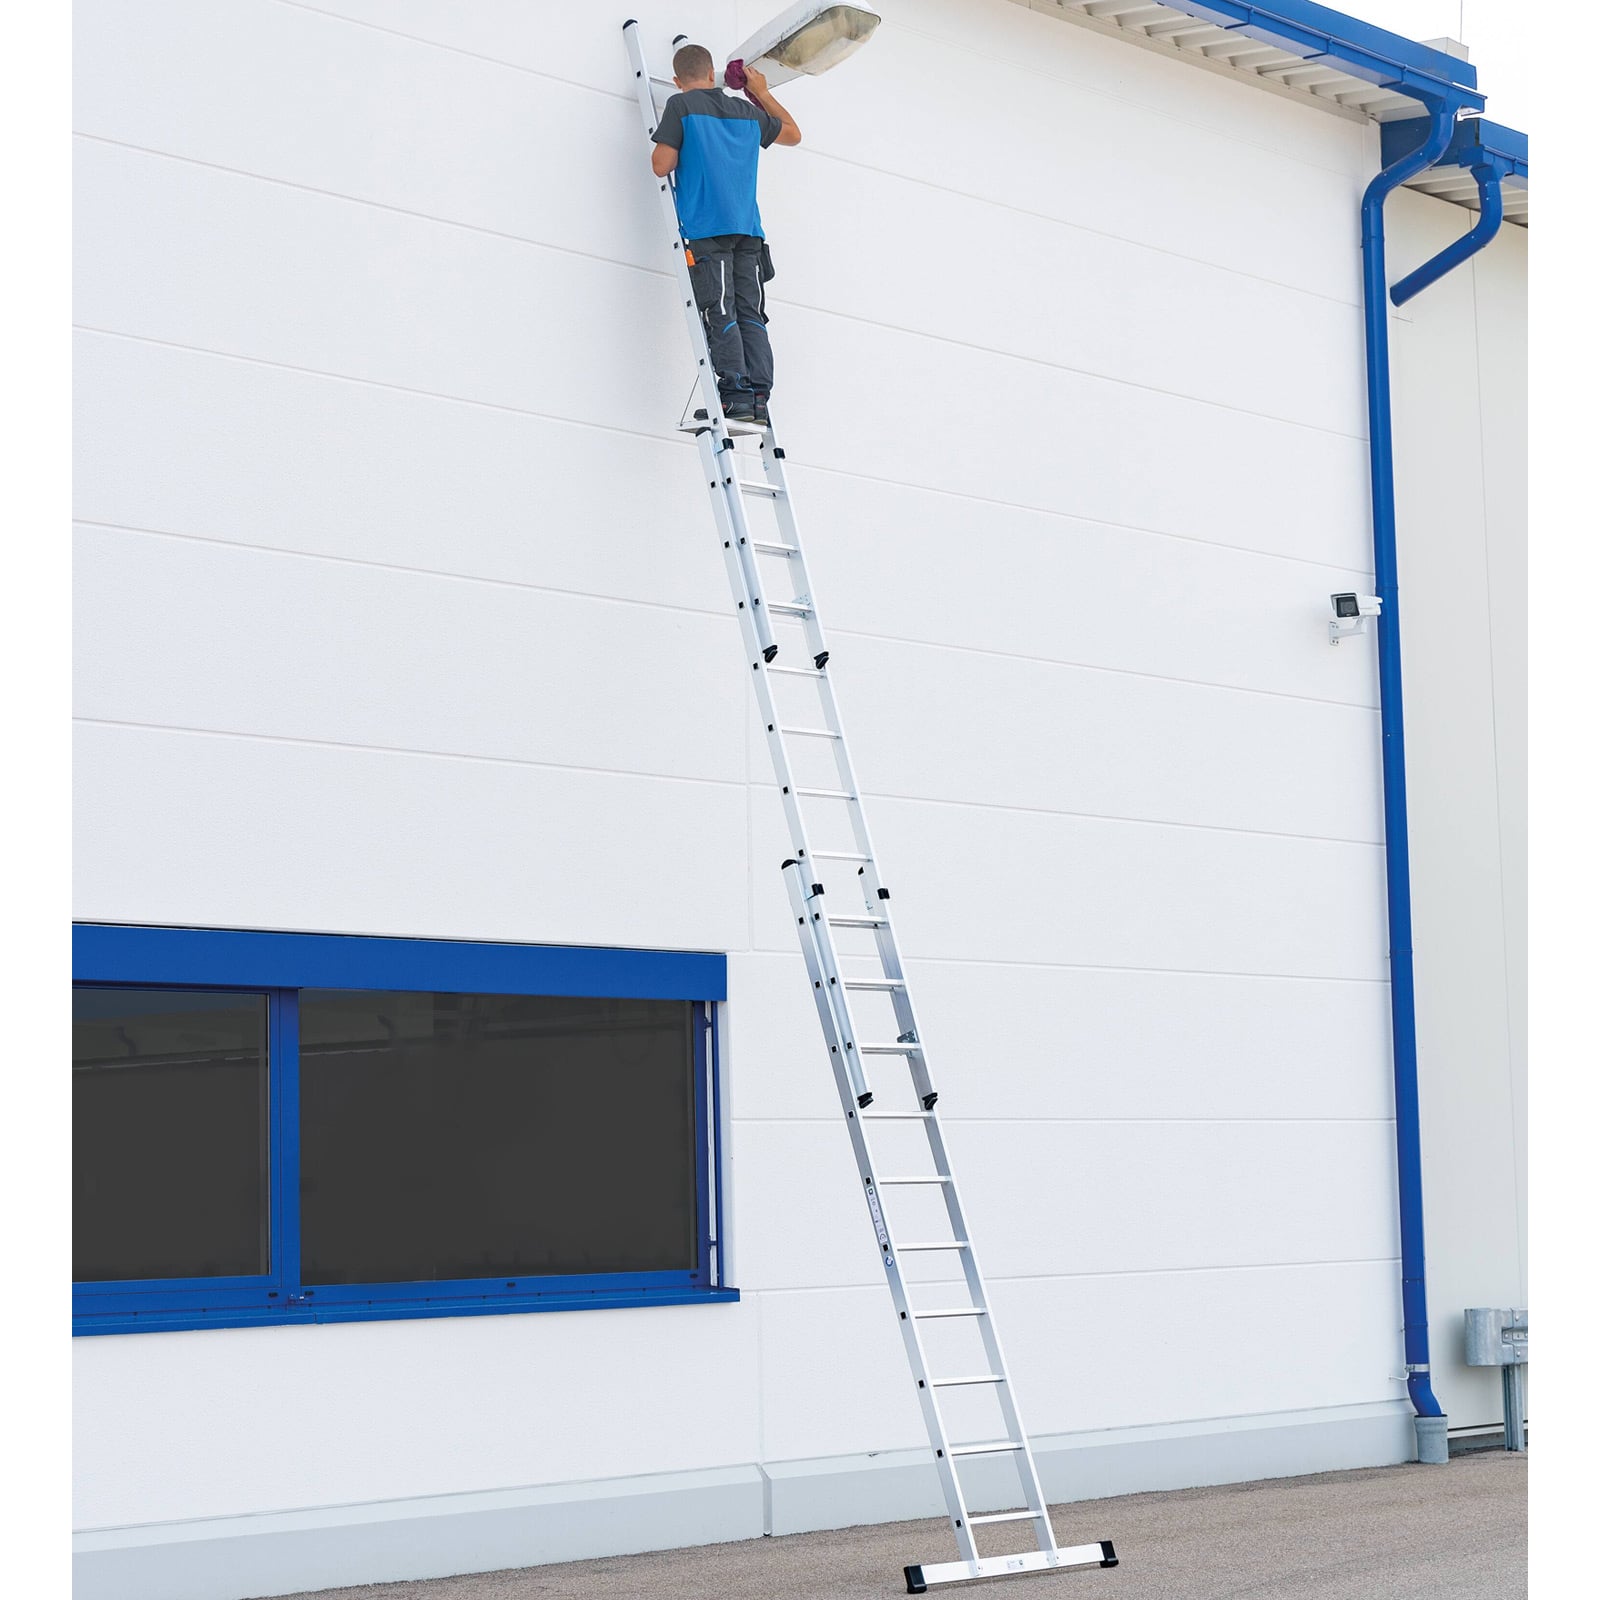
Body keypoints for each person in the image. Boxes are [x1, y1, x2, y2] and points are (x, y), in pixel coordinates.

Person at [650, 42, 801, 426]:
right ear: (711, 73)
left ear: (677, 81)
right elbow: (793, 134)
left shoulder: (681, 106)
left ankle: (735, 396)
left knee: (720, 310)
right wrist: (761, 93)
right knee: (750, 312)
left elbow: (661, 165)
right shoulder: (746, 111)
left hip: (708, 230)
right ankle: (758, 397)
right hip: (749, 232)